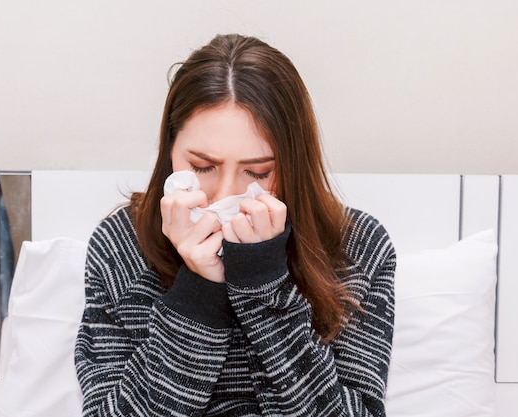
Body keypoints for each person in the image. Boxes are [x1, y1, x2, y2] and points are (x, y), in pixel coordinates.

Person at [75, 34, 396, 416]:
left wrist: (263, 282)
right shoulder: (121, 247)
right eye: (202, 166)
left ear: (293, 165)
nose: (225, 193)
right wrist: (198, 287)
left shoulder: (357, 250)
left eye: (257, 171)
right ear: (169, 151)